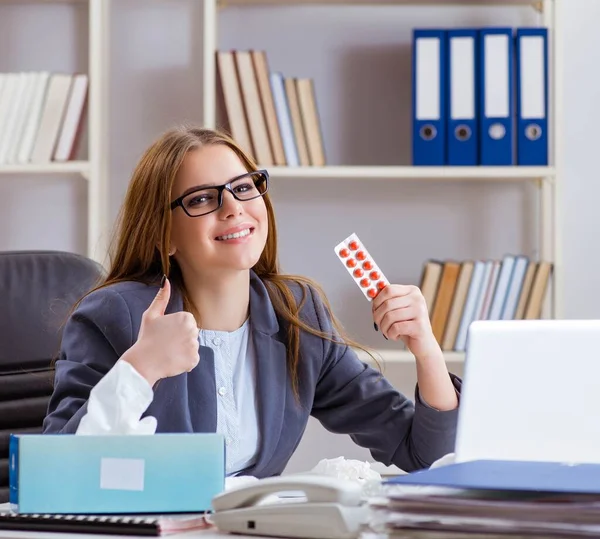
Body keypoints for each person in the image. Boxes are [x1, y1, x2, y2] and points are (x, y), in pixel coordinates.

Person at [43, 125, 461, 478]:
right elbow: (60, 473)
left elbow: (422, 454)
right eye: (203, 199)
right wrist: (140, 370)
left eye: (244, 188)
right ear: (164, 235)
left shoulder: (297, 313)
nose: (233, 208)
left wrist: (426, 347)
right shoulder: (115, 316)